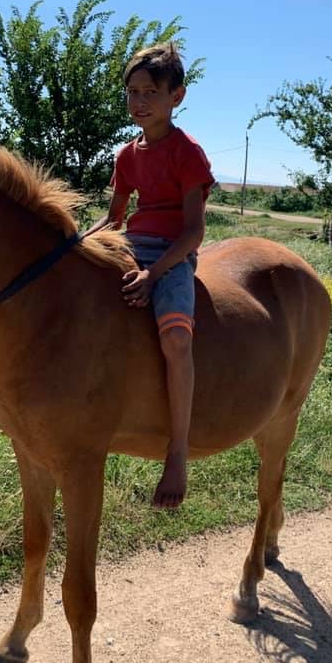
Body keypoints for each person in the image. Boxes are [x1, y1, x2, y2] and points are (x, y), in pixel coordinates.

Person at [86, 42, 215, 509]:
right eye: (132, 92)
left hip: (172, 255)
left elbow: (194, 231)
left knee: (176, 340)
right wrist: (77, 243)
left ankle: (177, 452)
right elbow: (114, 218)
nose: (139, 102)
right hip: (131, 245)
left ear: (176, 96)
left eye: (150, 92)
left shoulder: (188, 153)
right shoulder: (126, 155)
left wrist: (154, 274)